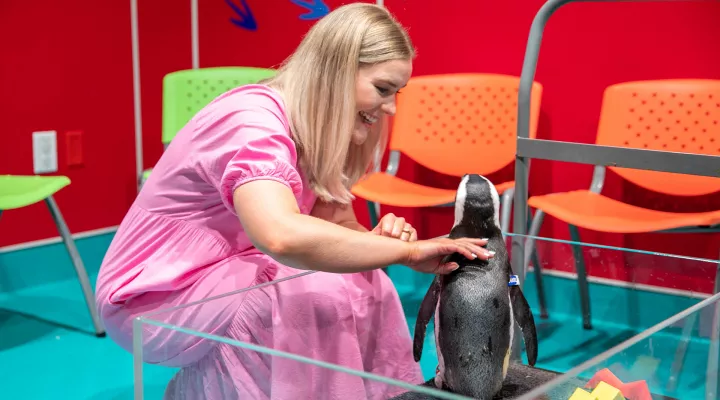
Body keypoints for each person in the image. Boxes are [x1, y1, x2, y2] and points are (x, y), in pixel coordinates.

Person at [95, 3, 493, 399]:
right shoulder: (250, 122)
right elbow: (282, 237)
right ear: (336, 70)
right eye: (383, 89)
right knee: (306, 296)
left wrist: (381, 243)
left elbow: (337, 226)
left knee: (366, 279)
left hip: (228, 272)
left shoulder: (315, 127)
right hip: (153, 297)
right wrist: (406, 254)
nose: (390, 107)